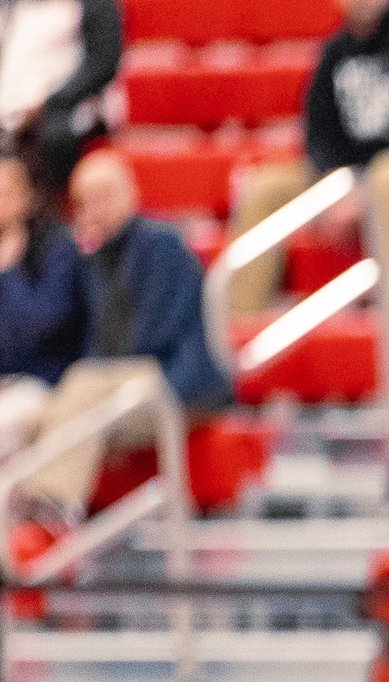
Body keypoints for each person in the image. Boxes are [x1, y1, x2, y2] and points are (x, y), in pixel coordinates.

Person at [15, 149, 228, 526]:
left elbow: (153, 340)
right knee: (31, 415)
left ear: (130, 194)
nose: (91, 211)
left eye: (102, 197)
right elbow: (43, 327)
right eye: (83, 202)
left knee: (83, 382)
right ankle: (19, 515)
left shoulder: (161, 245)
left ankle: (52, 504)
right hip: (112, 387)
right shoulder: (86, 257)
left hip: (175, 381)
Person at [227, 0, 389, 315]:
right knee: (267, 185)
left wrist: (362, 189)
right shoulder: (335, 51)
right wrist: (338, 185)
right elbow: (318, 135)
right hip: (357, 177)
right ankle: (236, 329)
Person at [0, 146, 83, 459]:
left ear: (26, 198)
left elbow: (40, 327)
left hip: (43, 384)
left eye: (6, 194)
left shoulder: (55, 248)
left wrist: (9, 273)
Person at [0, 0, 119, 190]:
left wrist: (48, 102)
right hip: (11, 104)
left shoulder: (94, 6)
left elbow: (102, 64)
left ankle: (53, 209)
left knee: (55, 136)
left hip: (68, 105)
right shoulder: (11, 6)